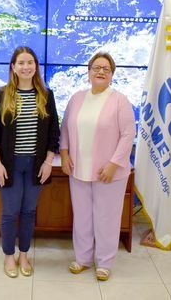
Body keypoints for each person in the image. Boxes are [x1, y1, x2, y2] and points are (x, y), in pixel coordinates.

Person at [60, 52, 135, 281]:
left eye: (106, 68)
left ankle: (104, 263)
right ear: (88, 72)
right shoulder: (76, 98)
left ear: (112, 75)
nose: (100, 71)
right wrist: (64, 154)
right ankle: (82, 259)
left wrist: (114, 164)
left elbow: (128, 134)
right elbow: (64, 129)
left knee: (106, 218)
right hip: (78, 169)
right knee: (82, 216)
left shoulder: (120, 100)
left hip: (109, 173)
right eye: (96, 67)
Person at [0, 46, 60, 278]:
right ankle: (9, 256)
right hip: (9, 165)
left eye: (30, 62)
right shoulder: (1, 94)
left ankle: (24, 254)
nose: (26, 66)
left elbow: (53, 134)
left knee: (29, 212)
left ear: (36, 66)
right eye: (21, 63)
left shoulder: (46, 96)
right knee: (9, 212)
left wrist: (49, 162)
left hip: (37, 165)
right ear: (13, 67)